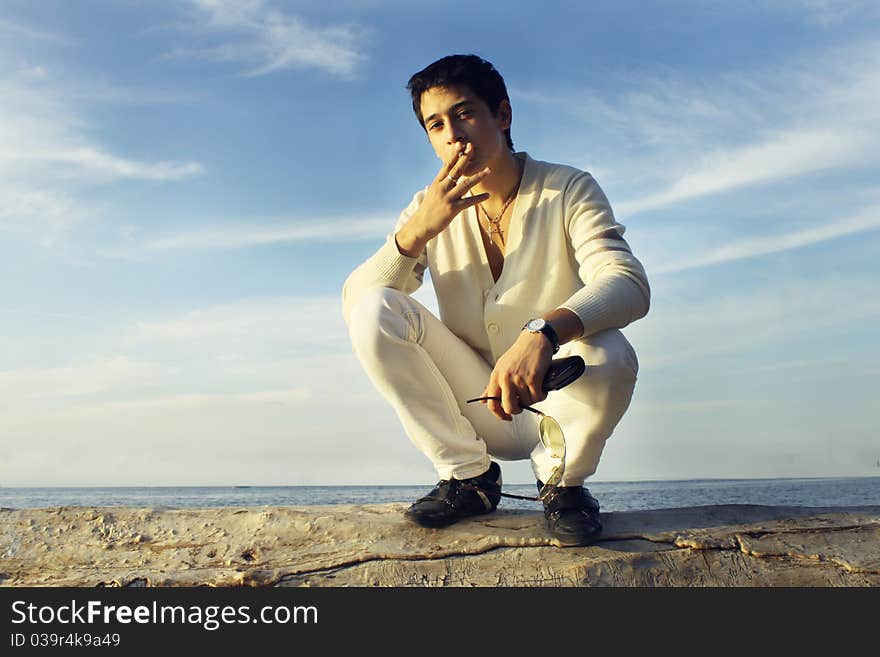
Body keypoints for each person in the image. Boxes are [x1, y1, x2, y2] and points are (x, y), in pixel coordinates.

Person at [341, 54, 650, 546]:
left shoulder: (567, 187)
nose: (454, 135)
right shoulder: (428, 208)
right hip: (476, 407)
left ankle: (563, 487)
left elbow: (628, 283)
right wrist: (418, 232)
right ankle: (468, 478)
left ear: (501, 116)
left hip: (558, 396)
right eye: (436, 124)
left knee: (611, 351)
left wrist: (543, 333)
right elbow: (359, 304)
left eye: (465, 114)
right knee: (377, 309)